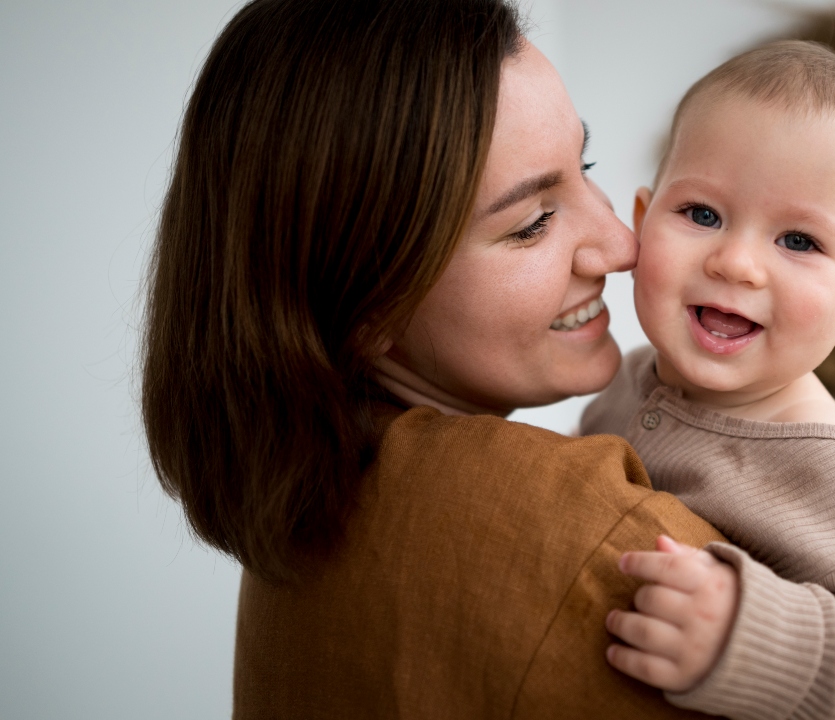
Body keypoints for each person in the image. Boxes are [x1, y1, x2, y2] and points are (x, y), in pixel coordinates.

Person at [140, 0, 736, 717]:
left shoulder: (302, 517)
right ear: (367, 305)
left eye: (586, 165)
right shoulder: (594, 535)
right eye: (533, 222)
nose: (620, 244)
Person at [581, 42, 835, 719]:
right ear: (640, 223)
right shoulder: (627, 382)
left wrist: (749, 639)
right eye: (702, 214)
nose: (738, 263)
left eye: (799, 241)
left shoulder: (826, 463)